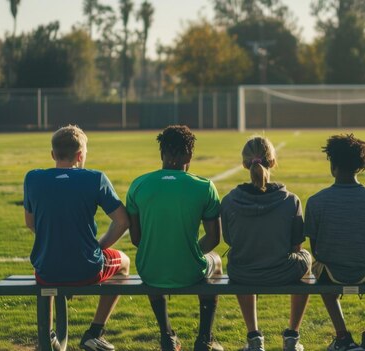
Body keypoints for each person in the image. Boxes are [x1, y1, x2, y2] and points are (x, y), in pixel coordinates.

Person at [23, 125, 130, 351]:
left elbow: (30, 223)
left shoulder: (32, 178)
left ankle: (47, 335)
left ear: (53, 154)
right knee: (125, 263)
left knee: (47, 267)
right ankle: (95, 332)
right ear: (80, 155)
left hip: (46, 271)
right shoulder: (94, 178)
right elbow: (122, 221)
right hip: (86, 269)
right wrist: (100, 247)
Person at [126, 125, 224, 351]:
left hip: (149, 270)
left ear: (162, 154)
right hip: (190, 270)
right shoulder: (204, 186)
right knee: (216, 261)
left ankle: (167, 336)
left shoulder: (138, 184)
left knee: (154, 265)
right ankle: (204, 339)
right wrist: (190, 251)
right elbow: (213, 239)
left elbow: (136, 238)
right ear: (189, 155)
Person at [221, 136, 312, 351]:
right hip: (282, 271)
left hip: (241, 273)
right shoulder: (290, 200)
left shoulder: (229, 200)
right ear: (272, 162)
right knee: (306, 258)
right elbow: (296, 247)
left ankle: (254, 337)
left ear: (245, 164)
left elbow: (230, 240)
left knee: (243, 256)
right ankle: (292, 336)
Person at [305, 134, 365, 351]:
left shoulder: (316, 201)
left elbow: (315, 248)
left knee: (318, 264)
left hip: (330, 272)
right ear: (360, 166)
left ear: (332, 165)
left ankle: (342, 336)